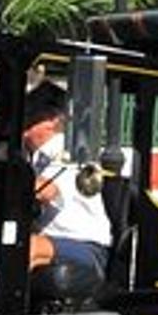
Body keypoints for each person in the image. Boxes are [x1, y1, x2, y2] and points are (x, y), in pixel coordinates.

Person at [23, 84, 113, 280]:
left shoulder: (69, 154)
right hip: (53, 240)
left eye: (31, 117)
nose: (24, 125)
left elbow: (48, 191)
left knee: (27, 248)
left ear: (54, 119)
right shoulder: (35, 159)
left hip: (85, 246)